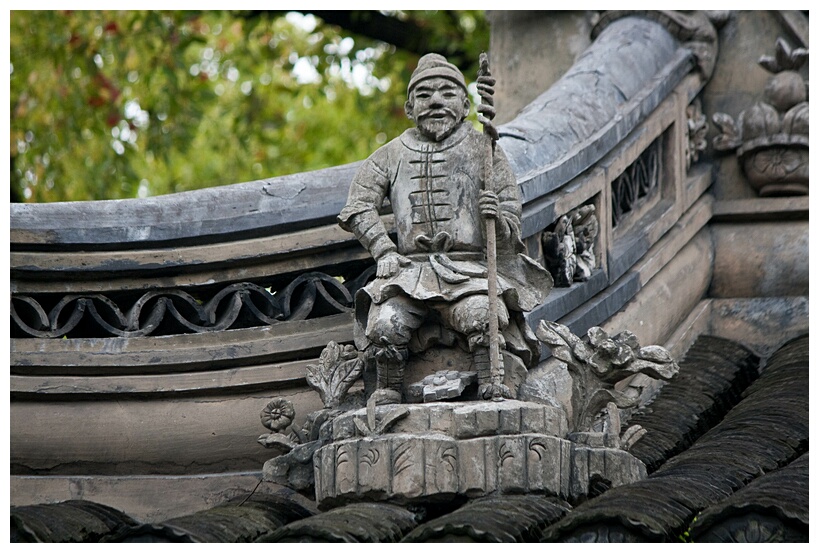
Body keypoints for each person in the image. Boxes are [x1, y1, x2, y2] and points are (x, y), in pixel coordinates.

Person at [338, 53, 553, 404]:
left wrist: (495, 219)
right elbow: (358, 206)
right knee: (385, 324)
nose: (436, 100)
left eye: (447, 92)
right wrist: (384, 249)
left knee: (485, 316)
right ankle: (389, 390)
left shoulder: (486, 150)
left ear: (466, 104)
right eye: (424, 94)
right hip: (408, 274)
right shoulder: (390, 155)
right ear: (409, 108)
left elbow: (512, 224)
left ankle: (492, 382)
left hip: (469, 271)